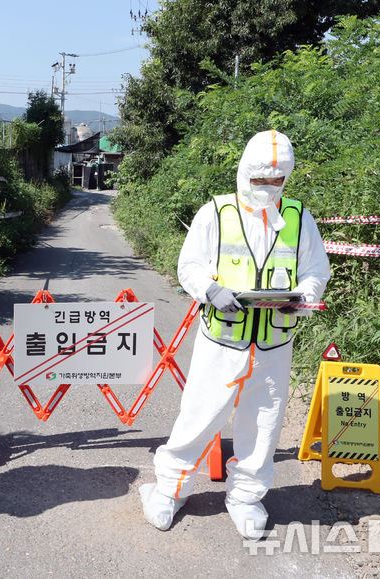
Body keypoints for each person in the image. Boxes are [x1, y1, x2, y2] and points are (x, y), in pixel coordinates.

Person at [139, 130, 330, 539]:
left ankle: (246, 495)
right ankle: (169, 489)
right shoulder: (217, 212)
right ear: (244, 172)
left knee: (263, 420)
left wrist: (303, 296)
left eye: (275, 181)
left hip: (275, 341)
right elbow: (190, 264)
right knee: (200, 414)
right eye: (259, 180)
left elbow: (317, 270)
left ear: (286, 179)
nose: (266, 188)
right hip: (222, 338)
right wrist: (211, 290)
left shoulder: (298, 216)